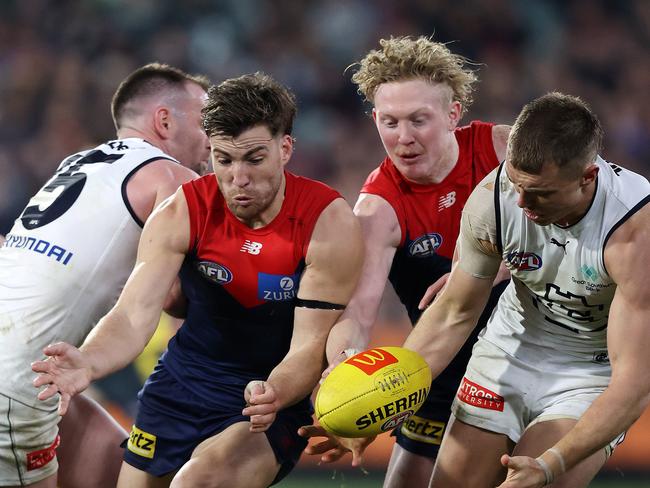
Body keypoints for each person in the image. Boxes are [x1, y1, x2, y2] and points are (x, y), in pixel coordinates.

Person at [32, 72, 364, 488]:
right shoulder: (183, 209)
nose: (237, 178)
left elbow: (310, 345)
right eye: (224, 160)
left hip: (265, 401)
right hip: (179, 388)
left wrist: (275, 391)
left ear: (285, 149)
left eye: (254, 159)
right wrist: (90, 361)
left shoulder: (327, 221)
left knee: (197, 483)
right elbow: (134, 313)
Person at [400, 92, 650, 487]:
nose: (522, 203)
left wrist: (549, 465)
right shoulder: (493, 200)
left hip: (590, 374)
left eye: (542, 192)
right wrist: (382, 399)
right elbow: (453, 314)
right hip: (507, 352)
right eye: (516, 183)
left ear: (588, 176)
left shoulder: (636, 232)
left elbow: (633, 385)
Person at [299, 35, 510, 487]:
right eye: (390, 121)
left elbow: (585, 228)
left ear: (454, 113)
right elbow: (356, 315)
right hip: (440, 368)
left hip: (532, 355)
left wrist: (492, 266)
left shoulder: (505, 152)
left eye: (419, 120)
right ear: (374, 119)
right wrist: (347, 372)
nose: (404, 137)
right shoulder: (377, 210)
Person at [0, 62, 209, 488]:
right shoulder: (175, 178)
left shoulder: (78, 163)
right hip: (20, 383)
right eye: (206, 121)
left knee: (126, 475)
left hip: (36, 370)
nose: (213, 139)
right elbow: (175, 299)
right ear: (164, 121)